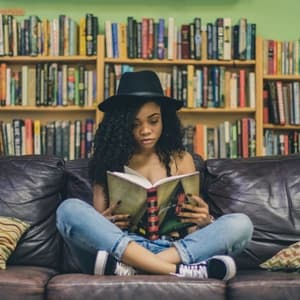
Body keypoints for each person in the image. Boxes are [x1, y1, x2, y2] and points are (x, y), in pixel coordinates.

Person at [56, 70, 253, 280]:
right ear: (122, 126)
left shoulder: (182, 159)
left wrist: (205, 220)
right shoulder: (107, 161)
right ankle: (178, 271)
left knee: (241, 224)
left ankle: (138, 268)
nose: (145, 130)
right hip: (122, 247)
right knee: (68, 210)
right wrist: (104, 222)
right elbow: (97, 228)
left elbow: (192, 229)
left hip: (173, 248)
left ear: (164, 120)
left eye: (153, 121)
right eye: (135, 124)